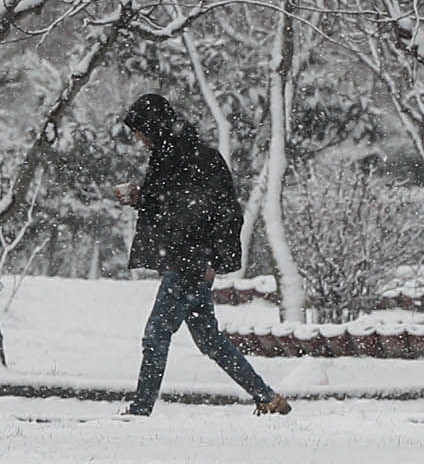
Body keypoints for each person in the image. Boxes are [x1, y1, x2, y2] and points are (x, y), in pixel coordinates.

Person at [111, 93, 291, 416]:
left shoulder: (193, 160)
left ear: (154, 127)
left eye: (140, 130)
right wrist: (140, 198)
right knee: (210, 341)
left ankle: (140, 410)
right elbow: (171, 208)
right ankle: (265, 396)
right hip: (189, 263)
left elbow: (221, 213)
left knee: (156, 335)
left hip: (189, 264)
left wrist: (212, 260)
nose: (138, 138)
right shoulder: (172, 157)